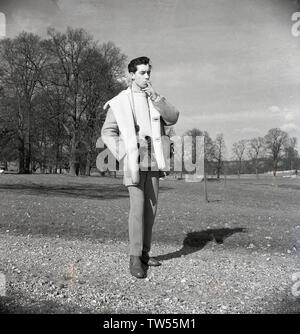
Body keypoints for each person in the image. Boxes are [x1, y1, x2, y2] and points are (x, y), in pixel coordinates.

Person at [101, 56, 179, 279]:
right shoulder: (119, 102)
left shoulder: (153, 98)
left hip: (154, 159)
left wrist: (156, 98)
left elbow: (173, 117)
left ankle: (145, 253)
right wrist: (124, 152)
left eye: (149, 72)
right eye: (142, 72)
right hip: (133, 159)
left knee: (151, 208)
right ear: (132, 75)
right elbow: (107, 132)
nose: (147, 76)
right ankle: (134, 257)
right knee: (137, 208)